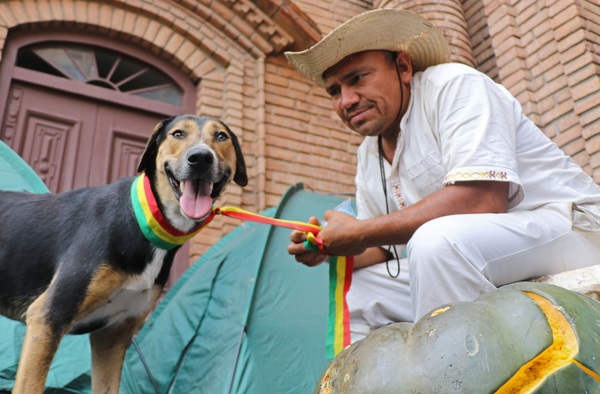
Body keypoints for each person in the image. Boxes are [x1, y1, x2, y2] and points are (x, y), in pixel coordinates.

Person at [284, 8, 600, 343]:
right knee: (361, 289)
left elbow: (482, 200)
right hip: (478, 251)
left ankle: (453, 378)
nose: (346, 100)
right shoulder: (368, 154)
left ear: (403, 67)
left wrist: (360, 231)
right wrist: (330, 244)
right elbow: (384, 247)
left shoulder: (454, 85)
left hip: (572, 228)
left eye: (357, 78)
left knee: (436, 243)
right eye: (334, 91)